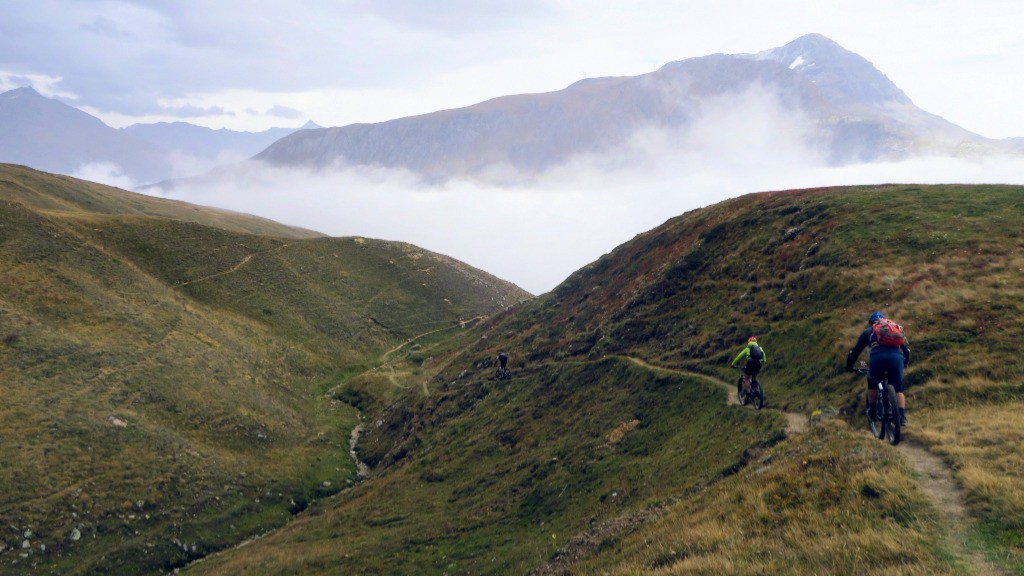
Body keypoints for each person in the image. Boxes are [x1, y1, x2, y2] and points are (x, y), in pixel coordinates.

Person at [845, 312, 911, 425]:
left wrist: (850, 366)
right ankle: (901, 416)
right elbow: (906, 351)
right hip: (897, 358)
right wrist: (904, 364)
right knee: (898, 389)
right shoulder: (893, 331)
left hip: (878, 357)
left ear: (870, 323)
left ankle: (873, 411)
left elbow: (855, 351)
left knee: (872, 382)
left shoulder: (868, 332)